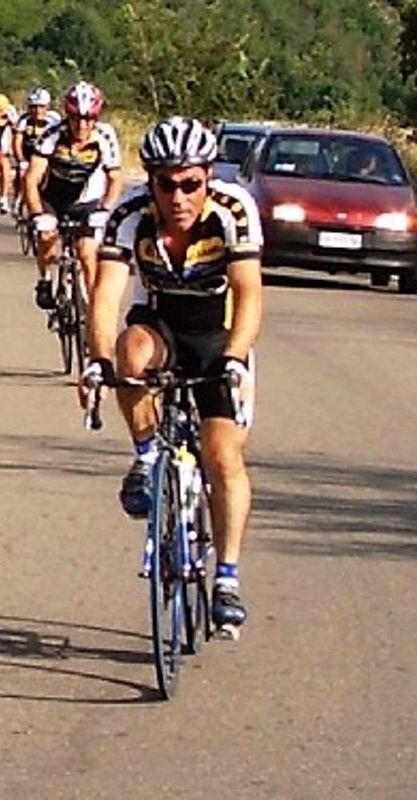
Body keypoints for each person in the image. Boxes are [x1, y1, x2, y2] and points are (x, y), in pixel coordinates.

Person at [83, 116, 263, 634]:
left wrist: (235, 358)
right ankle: (146, 457)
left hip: (216, 336)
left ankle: (226, 578)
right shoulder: (129, 213)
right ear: (151, 182)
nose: (178, 196)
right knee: (129, 353)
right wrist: (97, 361)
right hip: (160, 324)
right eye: (166, 184)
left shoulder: (233, 209)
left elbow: (249, 293)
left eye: (191, 183)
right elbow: (106, 295)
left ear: (208, 177)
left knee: (222, 457)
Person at [24, 81, 123, 311]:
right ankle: (45, 278)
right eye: (75, 118)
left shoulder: (105, 136)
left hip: (87, 202)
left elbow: (115, 179)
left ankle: (93, 312)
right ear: (67, 116)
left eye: (89, 119)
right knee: (48, 239)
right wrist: (38, 214)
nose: (82, 125)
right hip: (53, 199)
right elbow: (31, 179)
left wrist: (105, 209)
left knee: (87, 255)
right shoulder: (52, 134)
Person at [12, 86, 61, 215]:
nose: (37, 111)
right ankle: (19, 199)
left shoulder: (55, 120)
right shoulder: (24, 120)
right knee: (23, 174)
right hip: (28, 156)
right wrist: (21, 159)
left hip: (47, 157)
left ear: (48, 107)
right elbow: (17, 141)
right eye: (33, 107)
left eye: (41, 107)